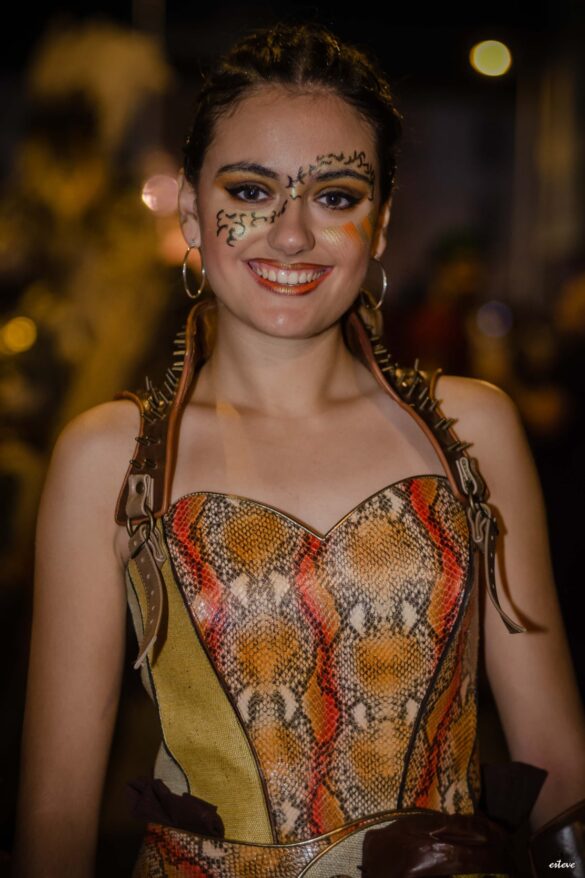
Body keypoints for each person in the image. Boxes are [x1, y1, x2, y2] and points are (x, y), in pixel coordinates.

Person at [12, 21, 585, 878]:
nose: (289, 235)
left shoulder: (472, 430)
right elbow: (55, 815)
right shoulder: (110, 457)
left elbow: (558, 766)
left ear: (379, 223)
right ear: (194, 213)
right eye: (250, 191)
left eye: (335, 196)